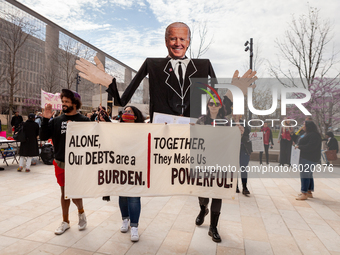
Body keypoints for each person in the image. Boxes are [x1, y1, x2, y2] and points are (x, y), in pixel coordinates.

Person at [75, 22, 257, 121]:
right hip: (163, 137)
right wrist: (108, 82)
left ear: (189, 41)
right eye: (173, 38)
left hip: (193, 135)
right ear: (165, 41)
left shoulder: (204, 66)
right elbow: (122, 101)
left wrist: (233, 94)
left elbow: (218, 108)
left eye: (182, 39)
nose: (178, 43)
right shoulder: (152, 64)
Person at [40, 89, 90, 235]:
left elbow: (91, 141)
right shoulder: (56, 121)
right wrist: (45, 118)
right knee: (64, 192)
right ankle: (65, 221)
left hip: (78, 163)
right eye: (63, 101)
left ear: (75, 103)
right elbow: (43, 136)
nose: (64, 104)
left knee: (75, 192)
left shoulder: (84, 120)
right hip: (61, 161)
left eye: (67, 101)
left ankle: (81, 213)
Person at [195, 96, 228, 243]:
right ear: (207, 105)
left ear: (221, 106)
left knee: (217, 192)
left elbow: (232, 139)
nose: (213, 106)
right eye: (211, 103)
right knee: (202, 191)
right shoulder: (201, 120)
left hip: (220, 162)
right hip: (203, 161)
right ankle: (203, 209)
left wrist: (239, 132)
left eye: (217, 104)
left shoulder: (227, 122)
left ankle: (213, 227)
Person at [118, 105, 145, 242]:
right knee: (122, 195)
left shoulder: (143, 130)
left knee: (134, 197)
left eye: (129, 112)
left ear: (135, 116)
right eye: (125, 111)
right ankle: (125, 220)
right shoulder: (117, 129)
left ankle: (134, 226)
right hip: (121, 166)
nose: (126, 113)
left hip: (136, 168)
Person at [294, 121, 321, 200]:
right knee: (309, 175)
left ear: (308, 126)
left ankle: (304, 193)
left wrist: (300, 147)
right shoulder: (308, 134)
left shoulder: (314, 135)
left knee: (305, 175)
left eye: (304, 125)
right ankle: (308, 192)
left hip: (308, 158)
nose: (303, 126)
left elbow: (310, 147)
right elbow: (298, 138)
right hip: (308, 157)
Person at [233, 115, 252, 195]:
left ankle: (244, 187)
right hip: (233, 148)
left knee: (243, 168)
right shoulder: (229, 123)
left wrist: (242, 131)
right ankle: (235, 186)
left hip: (244, 148)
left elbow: (248, 133)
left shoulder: (245, 123)